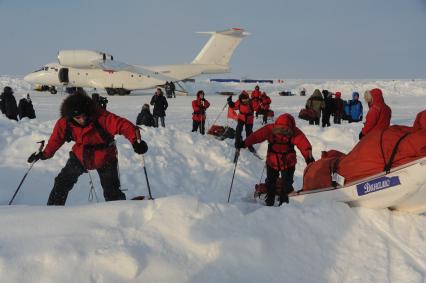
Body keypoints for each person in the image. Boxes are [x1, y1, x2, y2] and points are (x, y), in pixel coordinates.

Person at [27, 89, 148, 205]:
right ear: (70, 117)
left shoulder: (101, 117)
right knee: (61, 183)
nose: (82, 119)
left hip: (105, 156)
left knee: (112, 193)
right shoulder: (64, 123)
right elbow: (56, 140)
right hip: (80, 155)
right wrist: (44, 154)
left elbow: (123, 125)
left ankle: (120, 212)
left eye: (84, 115)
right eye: (78, 118)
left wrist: (136, 142)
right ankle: (52, 212)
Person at [236, 113, 314, 206]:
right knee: (286, 185)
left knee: (271, 183)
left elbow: (256, 136)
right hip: (287, 163)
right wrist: (309, 159)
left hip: (273, 162)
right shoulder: (294, 131)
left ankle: (270, 203)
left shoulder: (270, 128)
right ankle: (284, 205)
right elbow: (304, 145)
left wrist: (244, 143)